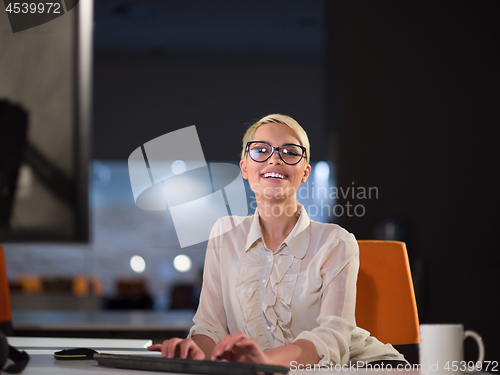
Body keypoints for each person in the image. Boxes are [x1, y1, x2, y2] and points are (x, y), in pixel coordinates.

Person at [148, 114, 406, 367]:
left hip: (363, 368)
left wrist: (263, 362)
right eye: (260, 150)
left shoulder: (336, 241)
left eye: (290, 152)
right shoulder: (225, 233)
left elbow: (332, 337)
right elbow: (210, 326)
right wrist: (194, 352)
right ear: (245, 168)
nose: (275, 159)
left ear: (305, 172)